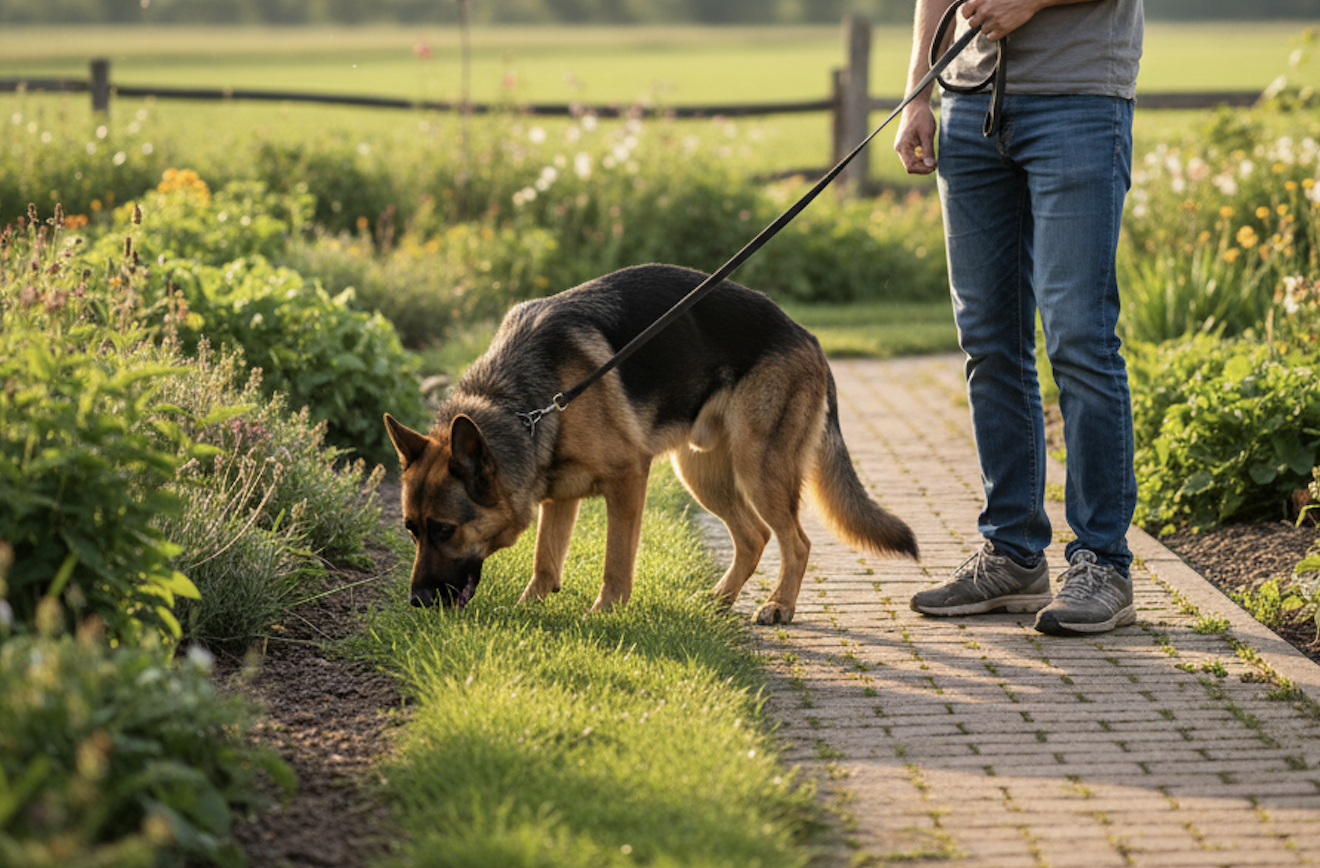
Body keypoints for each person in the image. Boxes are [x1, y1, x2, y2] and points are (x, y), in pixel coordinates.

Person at [893, 0, 1144, 635]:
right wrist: (919, 92)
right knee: (989, 340)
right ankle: (1012, 553)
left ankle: (1103, 564)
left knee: (1078, 336)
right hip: (970, 100)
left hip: (1080, 101)